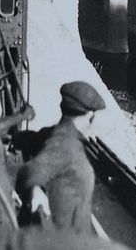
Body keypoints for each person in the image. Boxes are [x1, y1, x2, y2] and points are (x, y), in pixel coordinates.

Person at [14, 81, 106, 233]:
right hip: (67, 239)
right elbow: (29, 172)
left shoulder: (51, 134)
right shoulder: (66, 145)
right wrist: (35, 190)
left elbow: (32, 141)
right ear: (90, 116)